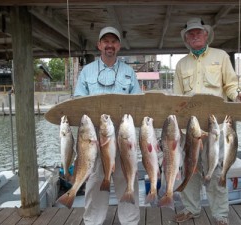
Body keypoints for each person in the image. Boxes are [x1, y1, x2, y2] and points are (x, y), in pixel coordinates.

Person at [172, 18, 241, 225]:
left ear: (206, 35)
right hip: (191, 128)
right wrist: (179, 130)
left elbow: (231, 86)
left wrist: (238, 95)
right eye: (191, 34)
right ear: (187, 39)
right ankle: (190, 209)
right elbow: (177, 99)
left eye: (198, 32)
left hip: (217, 127)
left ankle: (220, 214)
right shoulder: (181, 64)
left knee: (217, 170)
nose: (195, 35)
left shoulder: (221, 56)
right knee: (190, 168)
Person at [74, 26, 141, 225]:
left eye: (113, 41)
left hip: (123, 137)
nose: (109, 45)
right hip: (95, 139)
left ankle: (130, 221)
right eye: (106, 41)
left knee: (127, 178)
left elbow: (137, 102)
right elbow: (78, 100)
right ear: (99, 45)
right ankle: (93, 221)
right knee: (95, 180)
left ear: (118, 46)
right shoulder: (86, 71)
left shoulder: (129, 72)